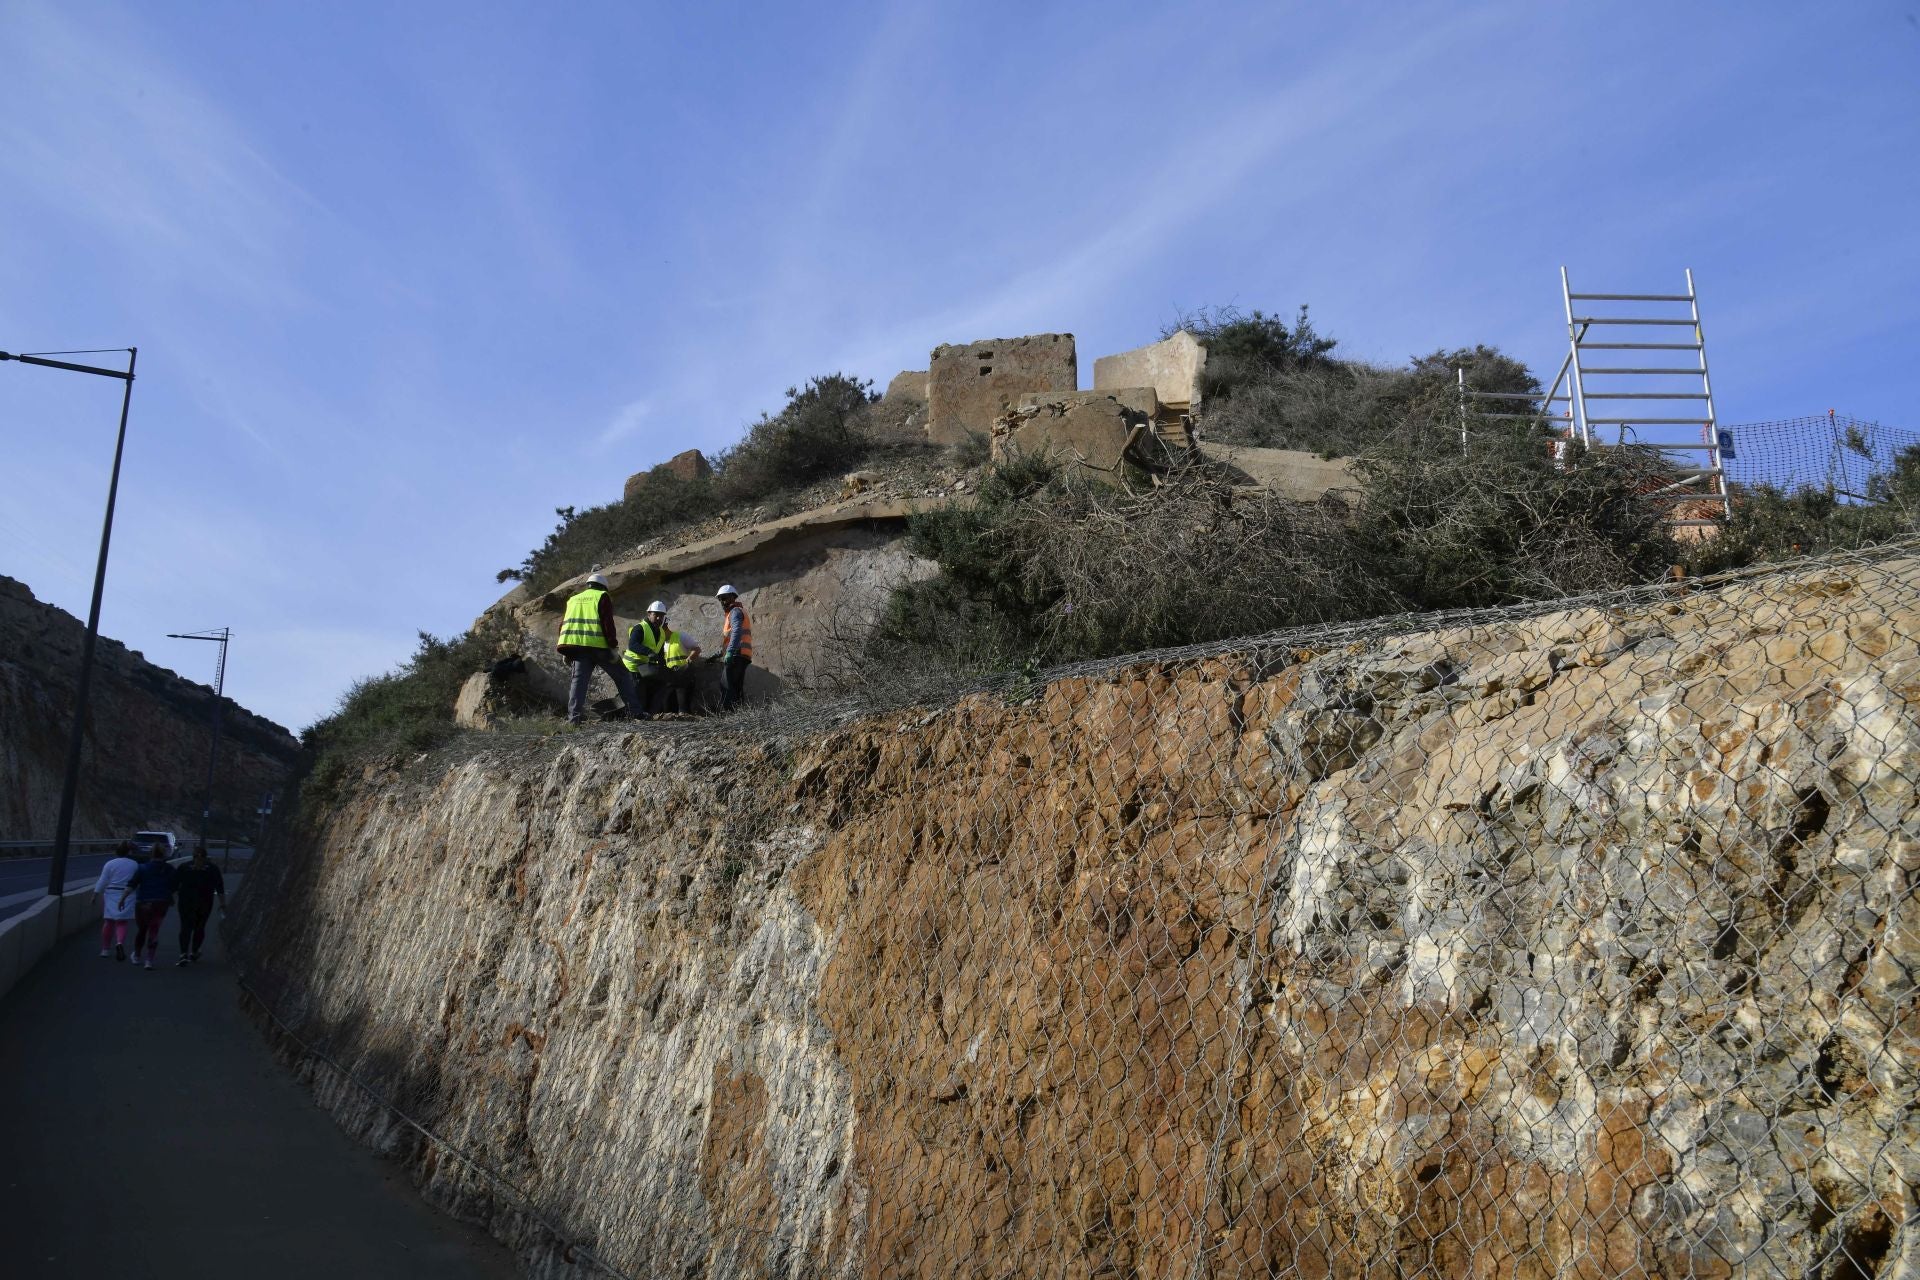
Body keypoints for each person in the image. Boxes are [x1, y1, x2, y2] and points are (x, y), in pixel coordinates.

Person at [557, 573, 645, 725]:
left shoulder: (573, 599)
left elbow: (564, 624)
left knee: (578, 683)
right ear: (603, 586)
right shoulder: (602, 596)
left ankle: (574, 720)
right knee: (623, 676)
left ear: (588, 585)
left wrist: (566, 650)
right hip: (599, 647)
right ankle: (636, 713)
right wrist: (612, 646)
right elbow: (607, 623)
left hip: (577, 648)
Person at [622, 601, 701, 714]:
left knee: (656, 690)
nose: (659, 618)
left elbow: (659, 654)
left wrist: (663, 668)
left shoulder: (661, 633)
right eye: (656, 614)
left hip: (645, 669)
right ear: (649, 614)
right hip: (632, 668)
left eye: (661, 615)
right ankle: (635, 718)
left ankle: (647, 715)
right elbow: (633, 645)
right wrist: (649, 652)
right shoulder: (640, 628)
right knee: (637, 696)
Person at [173, 845, 227, 965]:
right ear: (206, 856)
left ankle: (183, 954)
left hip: (185, 902)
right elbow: (220, 888)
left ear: (192, 856)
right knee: (200, 927)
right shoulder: (212, 869)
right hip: (205, 902)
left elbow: (174, 885)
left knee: (185, 927)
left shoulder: (184, 867)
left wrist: (172, 899)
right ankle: (194, 951)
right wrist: (222, 904)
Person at [126, 848, 178, 970]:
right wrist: (168, 893)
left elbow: (132, 884)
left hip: (144, 902)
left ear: (151, 854)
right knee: (154, 929)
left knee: (142, 929)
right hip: (161, 902)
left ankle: (137, 955)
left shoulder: (143, 868)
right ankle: (149, 960)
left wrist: (122, 899)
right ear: (164, 855)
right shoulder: (169, 869)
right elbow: (175, 884)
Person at [91, 840, 140, 962]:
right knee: (122, 922)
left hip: (111, 893)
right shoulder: (135, 864)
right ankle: (119, 943)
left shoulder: (110, 864)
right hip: (127, 894)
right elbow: (137, 882)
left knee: (108, 922)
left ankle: (105, 949)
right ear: (130, 852)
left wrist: (95, 894)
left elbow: (103, 880)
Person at [715, 584, 752, 711]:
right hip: (742, 655)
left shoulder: (735, 612)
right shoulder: (736, 612)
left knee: (726, 685)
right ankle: (739, 715)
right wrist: (720, 653)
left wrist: (730, 652)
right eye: (720, 599)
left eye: (724, 598)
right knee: (736, 686)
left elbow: (737, 632)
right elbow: (730, 637)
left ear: (733, 597)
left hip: (736, 654)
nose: (722, 602)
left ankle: (728, 715)